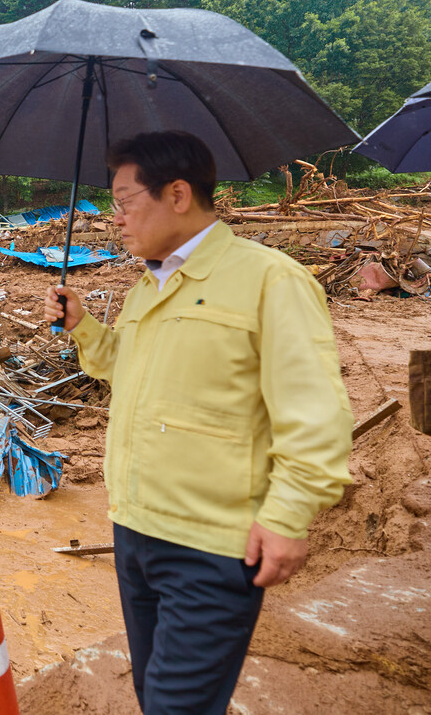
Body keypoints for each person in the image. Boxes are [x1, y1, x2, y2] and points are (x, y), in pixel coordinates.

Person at [43, 131, 352, 714]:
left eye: (125, 200)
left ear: (178, 194)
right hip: (134, 529)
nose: (117, 219)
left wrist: (288, 516)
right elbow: (124, 368)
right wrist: (83, 326)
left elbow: (315, 410)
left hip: (210, 542)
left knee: (176, 705)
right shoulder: (147, 286)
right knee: (151, 692)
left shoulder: (269, 280)